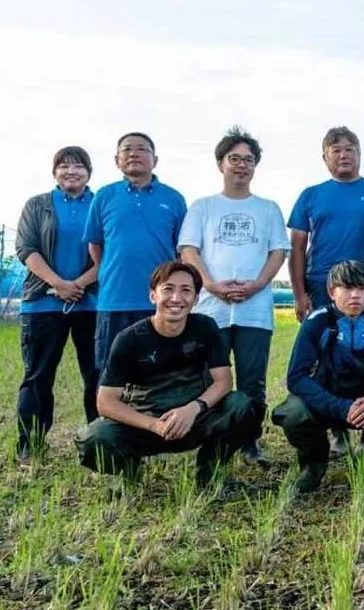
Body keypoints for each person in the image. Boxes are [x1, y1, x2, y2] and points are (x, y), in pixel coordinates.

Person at [75, 260, 257, 490]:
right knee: (94, 438)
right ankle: (130, 469)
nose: (176, 298)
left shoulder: (205, 327)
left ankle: (208, 473)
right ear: (153, 296)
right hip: (146, 424)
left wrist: (193, 409)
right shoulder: (129, 339)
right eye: (168, 289)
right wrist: (153, 425)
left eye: (186, 290)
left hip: (194, 419)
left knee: (243, 406)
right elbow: (105, 402)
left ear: (196, 299)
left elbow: (224, 382)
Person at [178, 127, 290, 466]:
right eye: (235, 159)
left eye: (249, 160)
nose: (241, 165)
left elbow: (278, 252)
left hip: (254, 310)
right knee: (210, 379)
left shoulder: (268, 209)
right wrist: (209, 284)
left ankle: (249, 442)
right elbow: (188, 249)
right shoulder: (203, 207)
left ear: (255, 167)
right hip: (212, 309)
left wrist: (257, 285)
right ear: (220, 163)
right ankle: (210, 441)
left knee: (252, 382)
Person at [271, 261, 364, 492]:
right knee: (293, 412)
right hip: (327, 399)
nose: (355, 295)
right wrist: (340, 407)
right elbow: (296, 376)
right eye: (346, 288)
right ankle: (313, 465)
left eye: (363, 288)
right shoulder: (316, 321)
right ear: (331, 292)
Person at [14, 146, 100, 462]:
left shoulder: (100, 204)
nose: (71, 171)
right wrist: (58, 284)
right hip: (42, 304)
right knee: (37, 376)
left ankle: (99, 440)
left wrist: (80, 284)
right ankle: (30, 444)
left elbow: (111, 252)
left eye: (79, 166)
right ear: (55, 172)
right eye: (64, 166)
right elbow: (26, 248)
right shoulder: (38, 205)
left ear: (89, 172)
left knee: (97, 374)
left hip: (91, 304)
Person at [84, 132, 187, 372]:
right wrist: (108, 271)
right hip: (113, 300)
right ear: (116, 159)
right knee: (110, 370)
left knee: (158, 370)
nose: (133, 153)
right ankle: (108, 412)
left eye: (142, 149)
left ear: (155, 160)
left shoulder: (173, 199)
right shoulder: (104, 196)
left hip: (159, 301)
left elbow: (182, 250)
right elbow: (95, 244)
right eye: (127, 149)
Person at [288, 126, 364, 320]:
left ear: (359, 154)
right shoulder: (309, 195)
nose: (343, 155)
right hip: (320, 286)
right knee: (320, 346)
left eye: (349, 149)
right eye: (336, 150)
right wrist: (299, 295)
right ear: (325, 158)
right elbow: (296, 250)